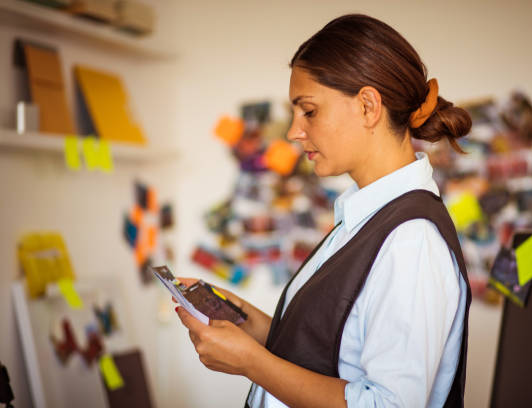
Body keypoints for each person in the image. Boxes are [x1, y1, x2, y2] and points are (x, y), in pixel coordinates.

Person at [175, 14, 472, 408]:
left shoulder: (411, 240)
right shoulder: (362, 219)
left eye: (309, 111)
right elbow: (321, 350)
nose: (293, 132)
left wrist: (252, 363)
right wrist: (245, 322)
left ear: (368, 107)